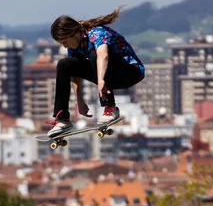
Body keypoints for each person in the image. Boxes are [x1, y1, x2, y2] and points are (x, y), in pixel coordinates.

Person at [46, 7, 145, 137]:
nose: (65, 46)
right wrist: (79, 100)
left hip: (130, 72)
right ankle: (62, 119)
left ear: (74, 33)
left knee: (94, 55)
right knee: (64, 64)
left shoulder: (97, 33)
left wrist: (100, 79)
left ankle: (110, 108)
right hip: (108, 78)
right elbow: (75, 75)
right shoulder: (75, 47)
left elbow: (103, 55)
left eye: (65, 42)